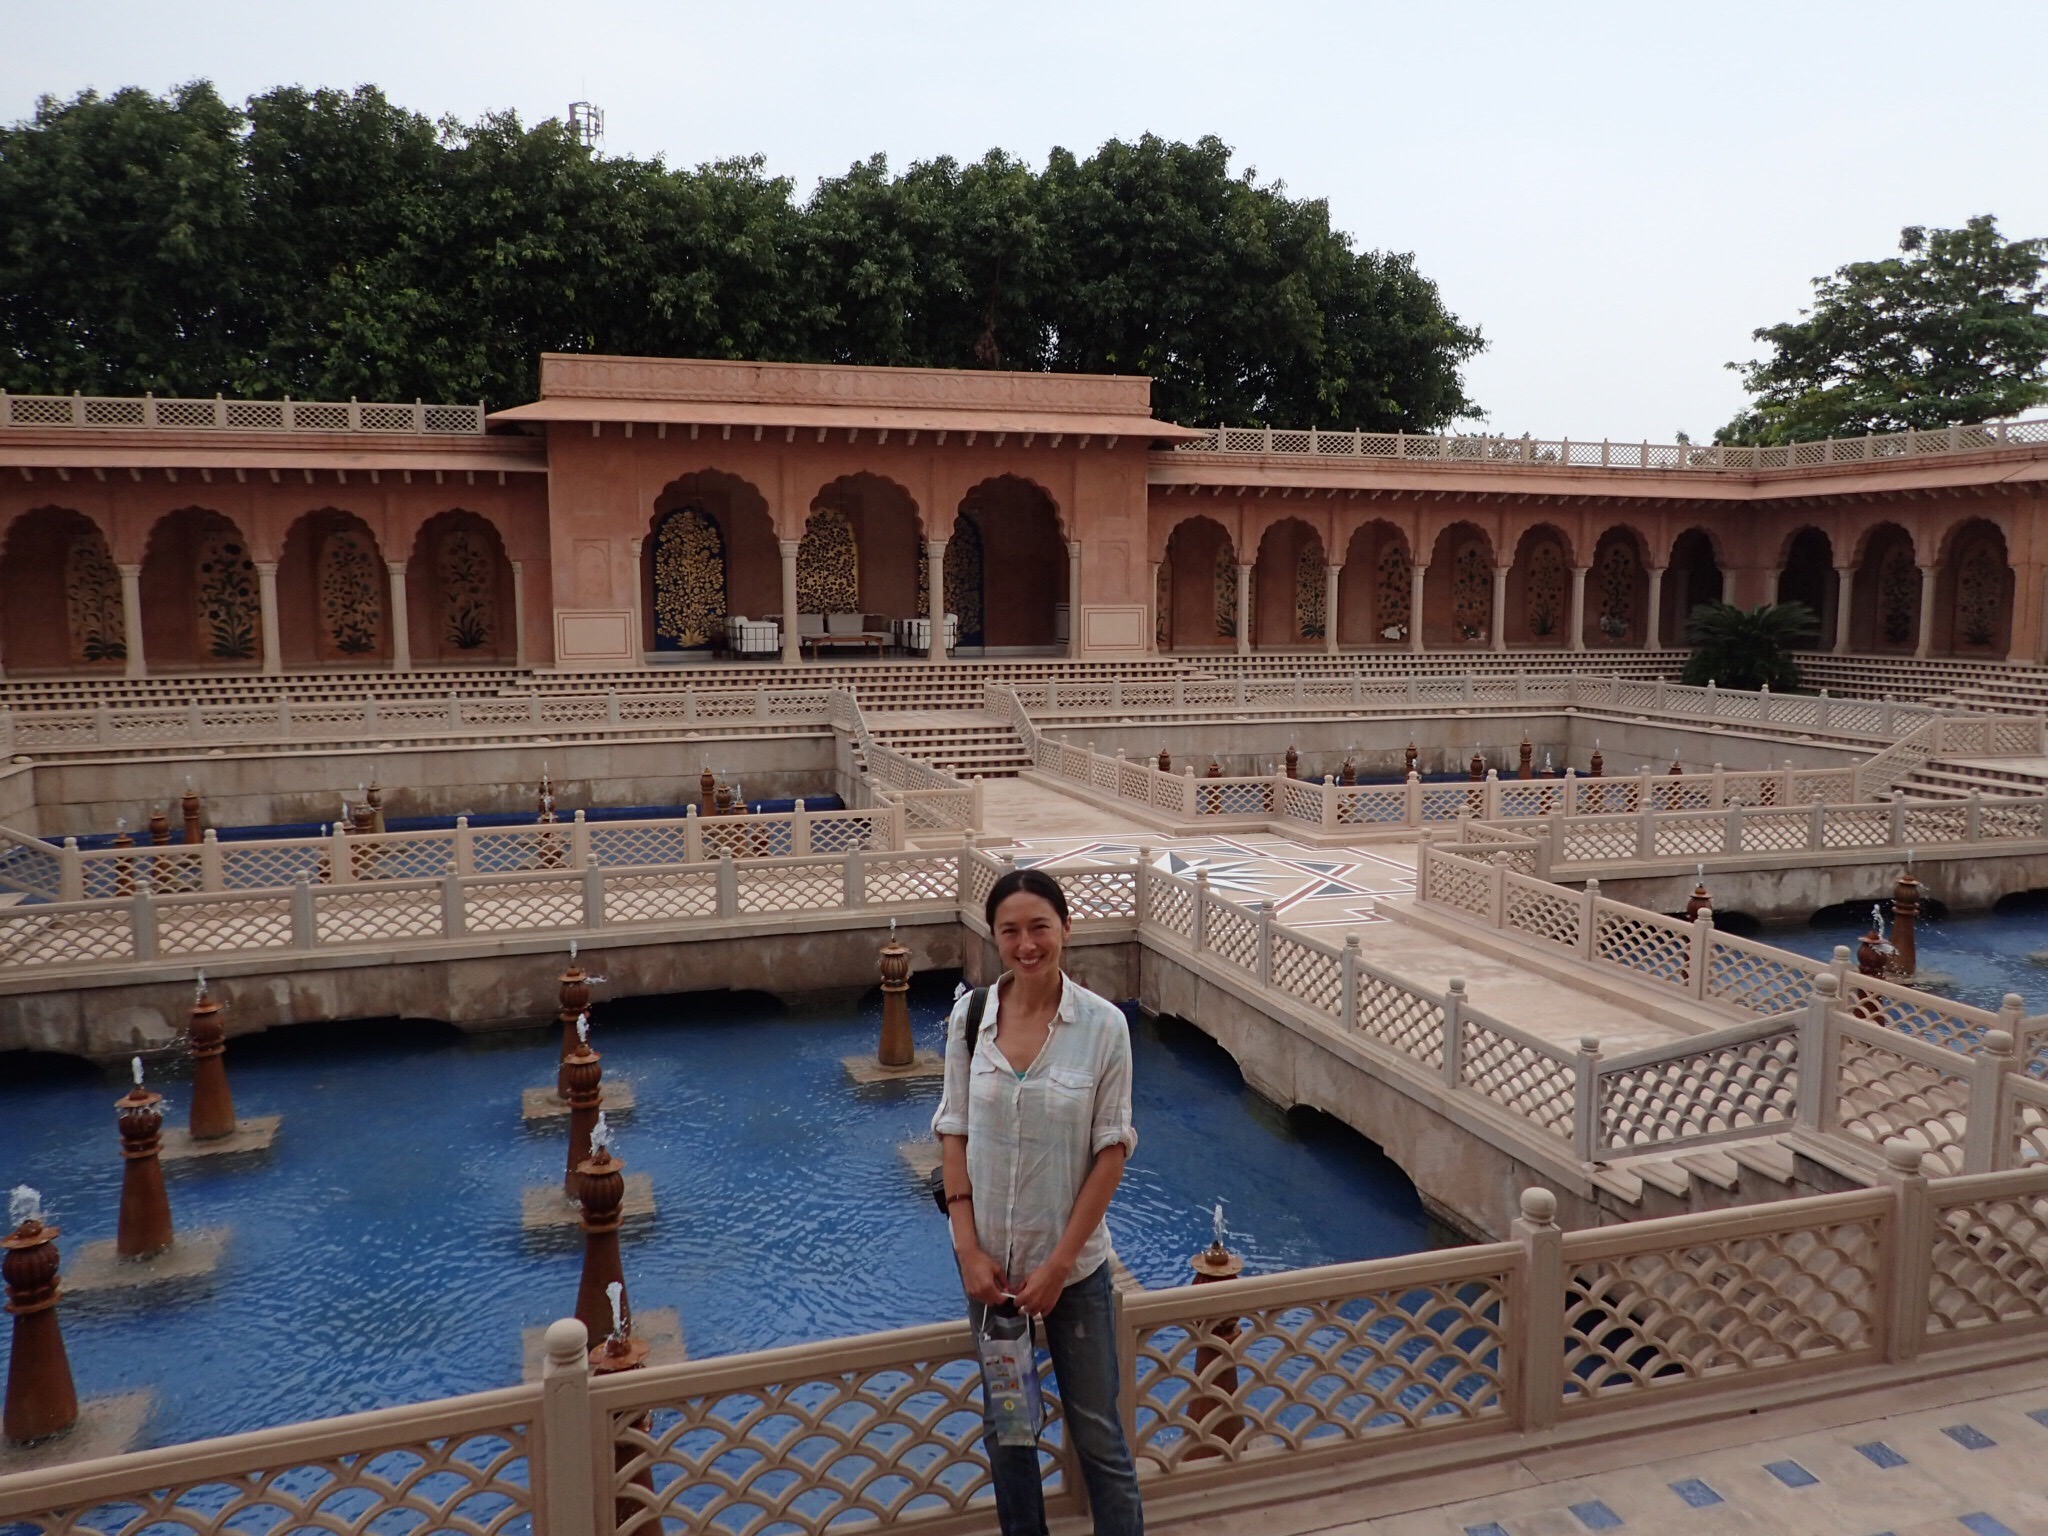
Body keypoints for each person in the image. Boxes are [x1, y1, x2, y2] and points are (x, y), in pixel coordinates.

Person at [933, 866, 1144, 1536]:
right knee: (1011, 1433)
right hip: (992, 1278)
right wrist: (968, 1250)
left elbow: (1111, 1151)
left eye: (1039, 928)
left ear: (1066, 929)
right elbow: (953, 1129)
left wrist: (1057, 1265)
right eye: (1010, 931)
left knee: (1099, 1435)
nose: (1026, 945)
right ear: (994, 937)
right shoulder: (971, 1019)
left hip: (1073, 1276)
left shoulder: (1103, 1026)